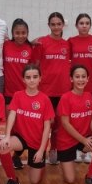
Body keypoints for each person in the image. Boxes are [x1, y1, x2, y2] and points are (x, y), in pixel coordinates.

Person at [0, 64, 54, 184]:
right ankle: (13, 180)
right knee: (3, 147)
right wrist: (6, 136)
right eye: (28, 77)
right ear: (23, 79)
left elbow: (47, 127)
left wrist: (41, 150)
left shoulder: (45, 99)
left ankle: (39, 162)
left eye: (35, 77)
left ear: (40, 78)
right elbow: (12, 115)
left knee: (35, 181)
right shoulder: (18, 95)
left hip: (37, 142)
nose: (32, 80)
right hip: (21, 138)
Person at [55, 65, 92, 184]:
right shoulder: (66, 98)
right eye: (77, 77)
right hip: (66, 142)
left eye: (83, 77)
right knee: (70, 180)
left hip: (84, 139)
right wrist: (84, 140)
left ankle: (91, 175)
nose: (80, 80)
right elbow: (65, 123)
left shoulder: (89, 96)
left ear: (88, 79)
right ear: (71, 79)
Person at [31, 12, 71, 165]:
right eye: (53, 24)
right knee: (45, 123)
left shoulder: (67, 45)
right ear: (49, 25)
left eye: (58, 24)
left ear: (63, 25)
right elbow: (34, 65)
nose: (56, 27)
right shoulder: (41, 43)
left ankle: (54, 150)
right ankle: (40, 149)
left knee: (59, 124)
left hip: (63, 91)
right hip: (46, 91)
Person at [67, 13, 92, 163]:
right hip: (75, 85)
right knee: (76, 118)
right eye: (81, 23)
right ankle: (76, 147)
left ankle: (87, 149)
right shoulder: (71, 41)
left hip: (91, 85)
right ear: (76, 25)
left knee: (89, 117)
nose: (84, 25)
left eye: (87, 23)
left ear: (90, 25)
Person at [2, 18, 33, 170]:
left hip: (26, 94)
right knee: (11, 126)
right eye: (17, 33)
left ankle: (17, 156)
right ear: (12, 33)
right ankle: (10, 155)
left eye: (23, 33)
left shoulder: (32, 48)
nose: (20, 36)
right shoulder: (5, 45)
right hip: (9, 93)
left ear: (27, 33)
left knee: (24, 127)